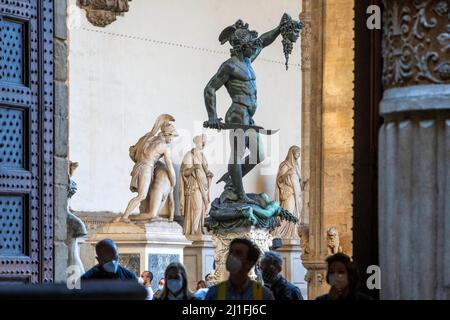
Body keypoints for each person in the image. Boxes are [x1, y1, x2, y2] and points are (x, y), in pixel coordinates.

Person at [205, 238, 274, 300]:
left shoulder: (263, 295)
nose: (232, 256)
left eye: (238, 253)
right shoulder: (214, 293)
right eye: (231, 252)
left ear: (250, 263)